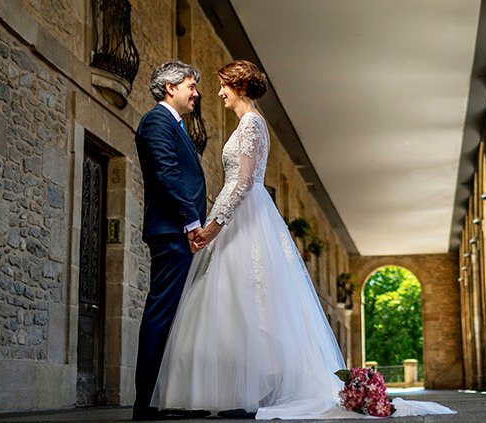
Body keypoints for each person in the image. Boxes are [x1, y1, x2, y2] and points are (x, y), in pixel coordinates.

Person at [150, 60, 455, 419]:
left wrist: (215, 225)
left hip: (243, 217)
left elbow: (244, 181)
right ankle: (233, 394)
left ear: (240, 87)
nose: (218, 93)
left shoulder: (251, 124)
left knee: (245, 302)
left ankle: (247, 395)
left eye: (224, 86)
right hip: (242, 214)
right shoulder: (249, 123)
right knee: (233, 302)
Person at [131, 60, 212, 421]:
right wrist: (191, 222)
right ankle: (146, 404)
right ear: (170, 87)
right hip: (172, 232)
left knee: (181, 315)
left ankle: (170, 398)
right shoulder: (156, 122)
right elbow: (167, 174)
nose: (196, 93)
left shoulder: (175, 124)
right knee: (163, 312)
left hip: (180, 231)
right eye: (191, 86)